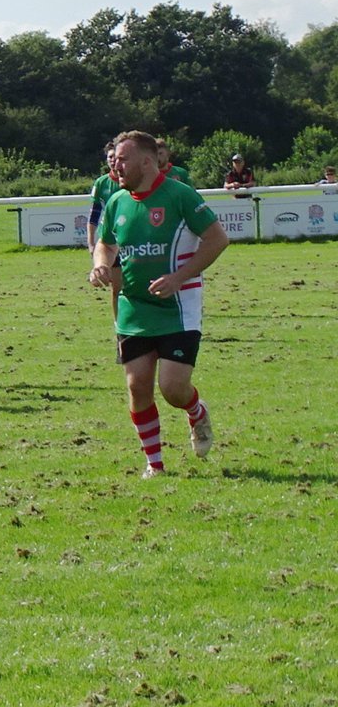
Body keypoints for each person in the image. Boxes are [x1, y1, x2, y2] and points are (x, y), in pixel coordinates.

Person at [90, 129, 228, 476]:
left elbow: (217, 239)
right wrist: (100, 264)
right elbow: (105, 243)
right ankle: (155, 464)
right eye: (115, 159)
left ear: (147, 161)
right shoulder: (118, 201)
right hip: (134, 306)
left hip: (179, 306)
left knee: (172, 388)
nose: (116, 166)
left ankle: (196, 412)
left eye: (123, 159)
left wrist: (179, 277)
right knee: (137, 386)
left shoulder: (180, 195)